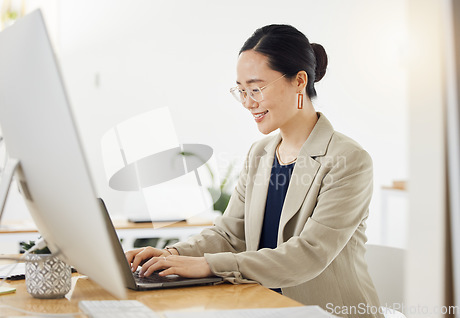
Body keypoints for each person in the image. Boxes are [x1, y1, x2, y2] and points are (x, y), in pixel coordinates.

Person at [127, 24, 382, 318]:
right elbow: (229, 234)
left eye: (256, 88)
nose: (248, 103)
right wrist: (172, 255)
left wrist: (209, 265)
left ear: (299, 81)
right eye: (241, 90)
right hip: (262, 304)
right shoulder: (260, 154)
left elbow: (309, 253)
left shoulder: (348, 159)